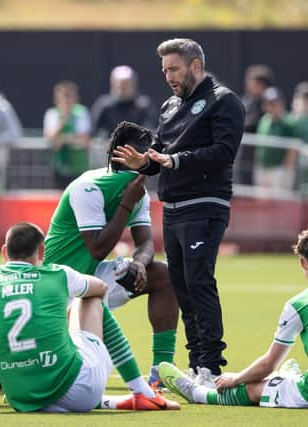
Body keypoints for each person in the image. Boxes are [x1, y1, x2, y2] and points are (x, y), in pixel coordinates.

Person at [0, 222, 179, 413]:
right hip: (80, 389)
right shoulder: (58, 274)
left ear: (4, 252)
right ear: (40, 252)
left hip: (22, 397)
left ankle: (71, 393)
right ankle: (141, 391)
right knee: (90, 299)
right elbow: (101, 288)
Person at [112, 38, 245, 387]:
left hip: (204, 204)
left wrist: (176, 160)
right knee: (182, 285)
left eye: (174, 68)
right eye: (164, 70)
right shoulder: (170, 105)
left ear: (195, 65)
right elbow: (160, 153)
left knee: (199, 281)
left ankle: (211, 367)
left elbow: (224, 152)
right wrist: (144, 161)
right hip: (171, 207)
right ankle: (195, 361)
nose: (168, 76)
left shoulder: (224, 100)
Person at [44, 121, 179, 388]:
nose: (146, 164)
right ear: (122, 154)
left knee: (163, 274)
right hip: (60, 284)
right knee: (70, 364)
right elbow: (98, 247)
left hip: (93, 277)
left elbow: (146, 244)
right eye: (142, 155)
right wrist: (126, 203)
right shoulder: (90, 186)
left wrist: (140, 264)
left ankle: (160, 373)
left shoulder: (135, 189)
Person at [160, 229, 308, 409]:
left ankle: (199, 394)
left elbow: (268, 365)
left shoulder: (299, 305)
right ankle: (288, 379)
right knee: (269, 380)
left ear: (303, 263)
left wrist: (235, 378)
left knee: (253, 388)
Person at [44, 80, 92, 189]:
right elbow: (51, 140)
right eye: (63, 97)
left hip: (78, 167)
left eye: (69, 97)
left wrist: (63, 139)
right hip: (58, 167)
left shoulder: (82, 113)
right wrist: (62, 122)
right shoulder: (52, 114)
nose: (66, 101)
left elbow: (84, 139)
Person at [91, 66, 158, 138]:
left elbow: (150, 129)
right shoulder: (104, 105)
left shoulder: (144, 105)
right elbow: (94, 130)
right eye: (119, 85)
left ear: (133, 84)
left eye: (126, 85)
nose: (121, 89)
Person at [254, 87, 297, 190]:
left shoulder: (289, 123)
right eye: (268, 103)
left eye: (274, 103)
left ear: (281, 103)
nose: (271, 106)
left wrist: (286, 171)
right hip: (262, 169)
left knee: (279, 203)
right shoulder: (264, 120)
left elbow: (293, 149)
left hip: (279, 170)